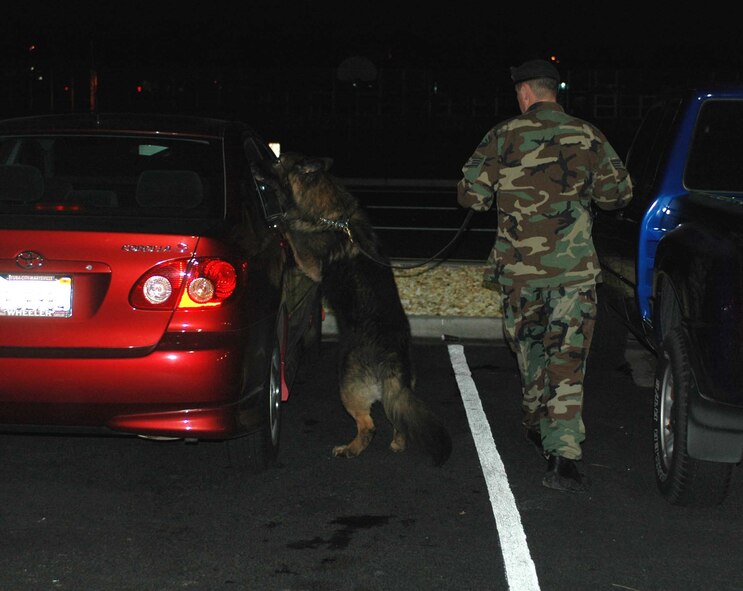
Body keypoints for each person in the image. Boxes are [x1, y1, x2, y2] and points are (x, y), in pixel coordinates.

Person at [456, 58, 633, 493]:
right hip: (573, 274)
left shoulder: (502, 136)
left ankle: (540, 425)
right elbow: (618, 195)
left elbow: (470, 196)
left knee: (531, 352)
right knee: (567, 360)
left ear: (525, 93)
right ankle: (562, 456)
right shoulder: (588, 135)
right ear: (554, 90)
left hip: (520, 274)